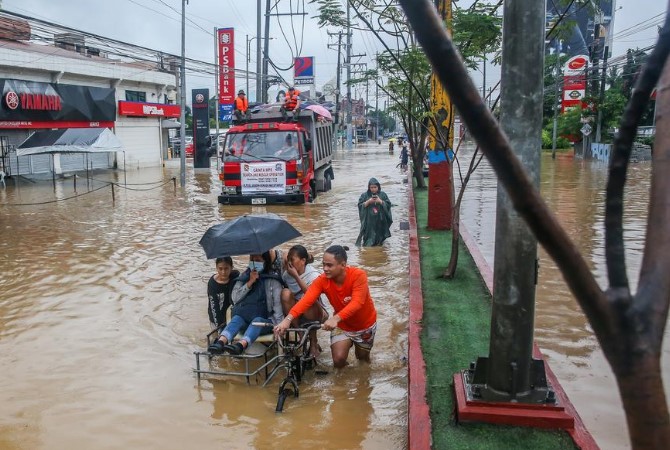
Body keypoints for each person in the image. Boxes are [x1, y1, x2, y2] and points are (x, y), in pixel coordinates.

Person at [274, 245, 377, 368]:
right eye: (323, 265)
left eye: (329, 265)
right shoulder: (323, 280)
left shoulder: (358, 275)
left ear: (343, 265)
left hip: (364, 325)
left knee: (363, 360)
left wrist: (335, 318)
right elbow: (307, 299)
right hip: (342, 326)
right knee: (338, 361)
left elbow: (357, 303)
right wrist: (287, 320)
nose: (325, 269)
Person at [208, 252, 284, 355]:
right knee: (236, 319)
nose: (254, 263)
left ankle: (240, 345)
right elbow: (234, 298)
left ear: (265, 262)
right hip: (245, 317)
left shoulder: (272, 281)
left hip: (265, 321)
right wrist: (249, 283)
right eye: (252, 260)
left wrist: (278, 328)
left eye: (258, 261)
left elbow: (278, 310)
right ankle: (220, 342)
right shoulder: (244, 276)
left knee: (256, 322)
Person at [280, 245, 329, 357]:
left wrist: (296, 276)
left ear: (303, 261)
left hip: (315, 311)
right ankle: (302, 335)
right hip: (295, 313)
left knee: (307, 301)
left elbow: (310, 296)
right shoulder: (286, 275)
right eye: (289, 260)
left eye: (292, 259)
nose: (290, 263)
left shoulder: (314, 275)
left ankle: (313, 342)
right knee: (285, 293)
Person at [355, 177, 393, 247]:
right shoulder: (364, 195)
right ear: (369, 187)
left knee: (379, 240)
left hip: (380, 220)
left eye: (375, 187)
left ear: (378, 187)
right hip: (369, 221)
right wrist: (368, 202)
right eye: (371, 187)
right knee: (368, 240)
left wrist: (381, 202)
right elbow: (360, 206)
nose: (373, 189)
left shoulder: (383, 195)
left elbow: (388, 205)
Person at [207, 257, 240, 331]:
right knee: (217, 338)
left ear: (231, 268)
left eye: (226, 268)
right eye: (220, 269)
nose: (223, 272)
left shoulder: (235, 276)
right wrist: (219, 326)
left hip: (231, 314)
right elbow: (214, 307)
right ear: (216, 268)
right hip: (216, 317)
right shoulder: (213, 284)